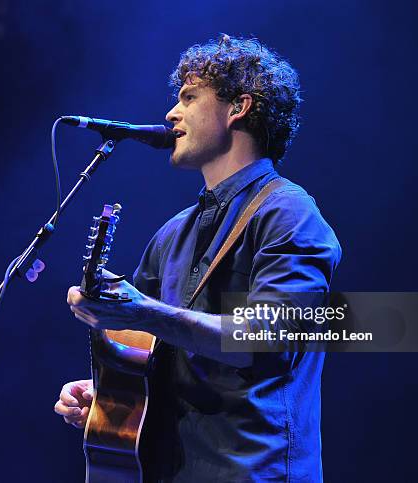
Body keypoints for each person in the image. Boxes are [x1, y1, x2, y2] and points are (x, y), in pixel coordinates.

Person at [54, 35, 342, 482]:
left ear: (238, 107)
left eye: (189, 97)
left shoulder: (290, 214)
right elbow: (147, 353)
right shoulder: (172, 233)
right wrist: (110, 397)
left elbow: (264, 341)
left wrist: (143, 311)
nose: (171, 113)